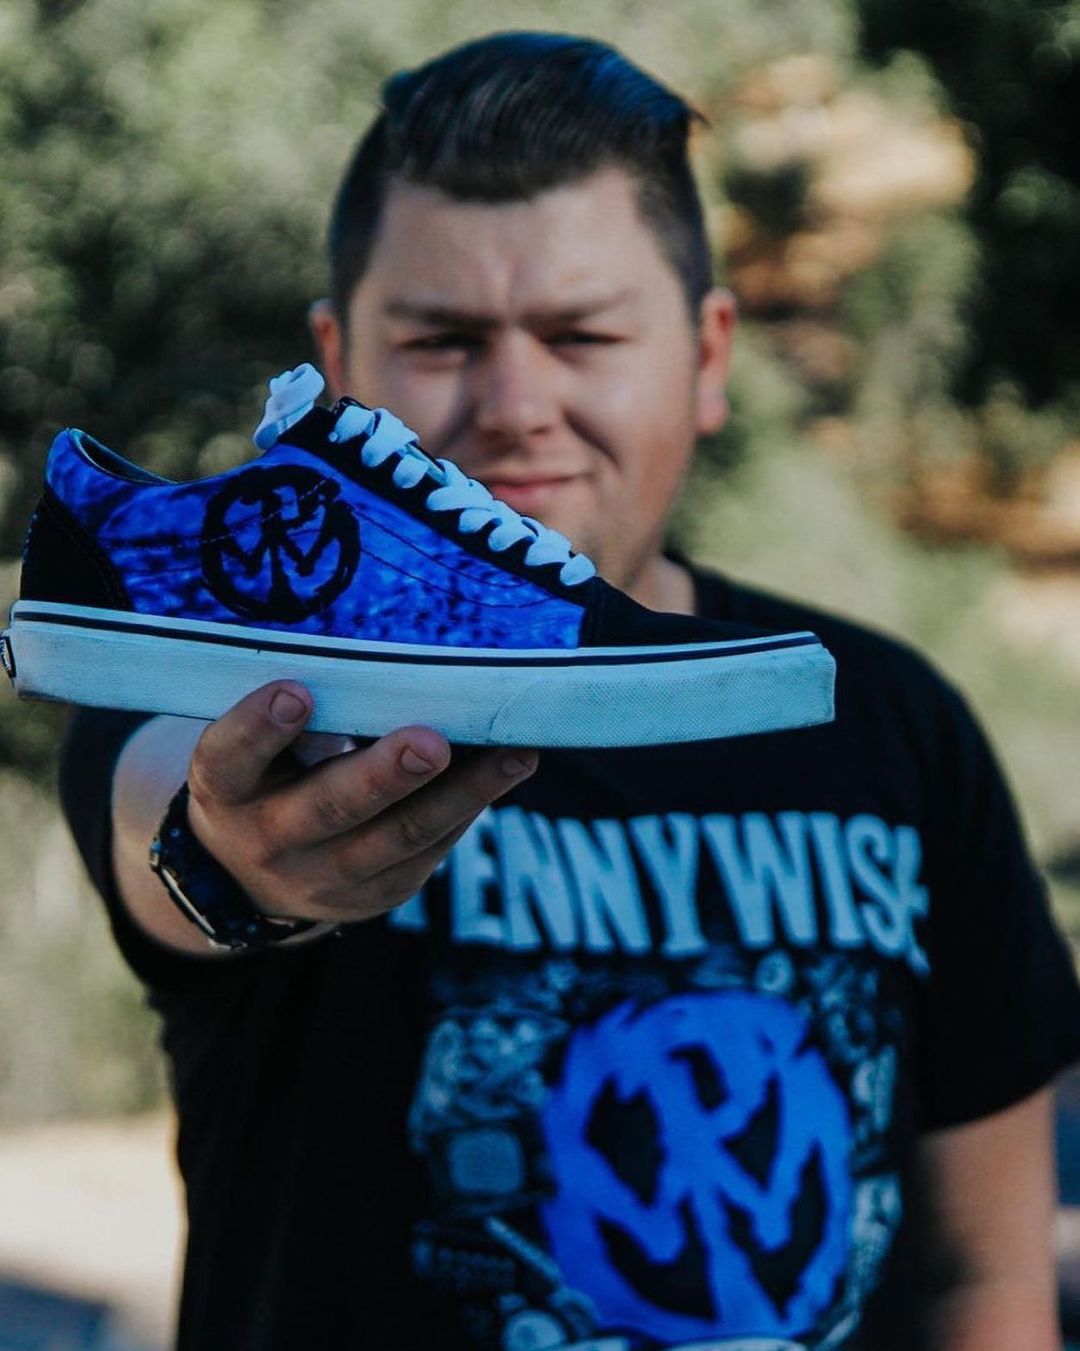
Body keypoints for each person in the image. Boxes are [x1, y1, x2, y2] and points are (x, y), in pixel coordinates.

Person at [58, 31, 1080, 1351]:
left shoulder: (890, 721)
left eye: (582, 334)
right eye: (441, 339)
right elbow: (164, 811)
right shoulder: (249, 691)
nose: (515, 404)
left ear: (708, 358)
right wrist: (235, 861)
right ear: (340, 369)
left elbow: (983, 1274)